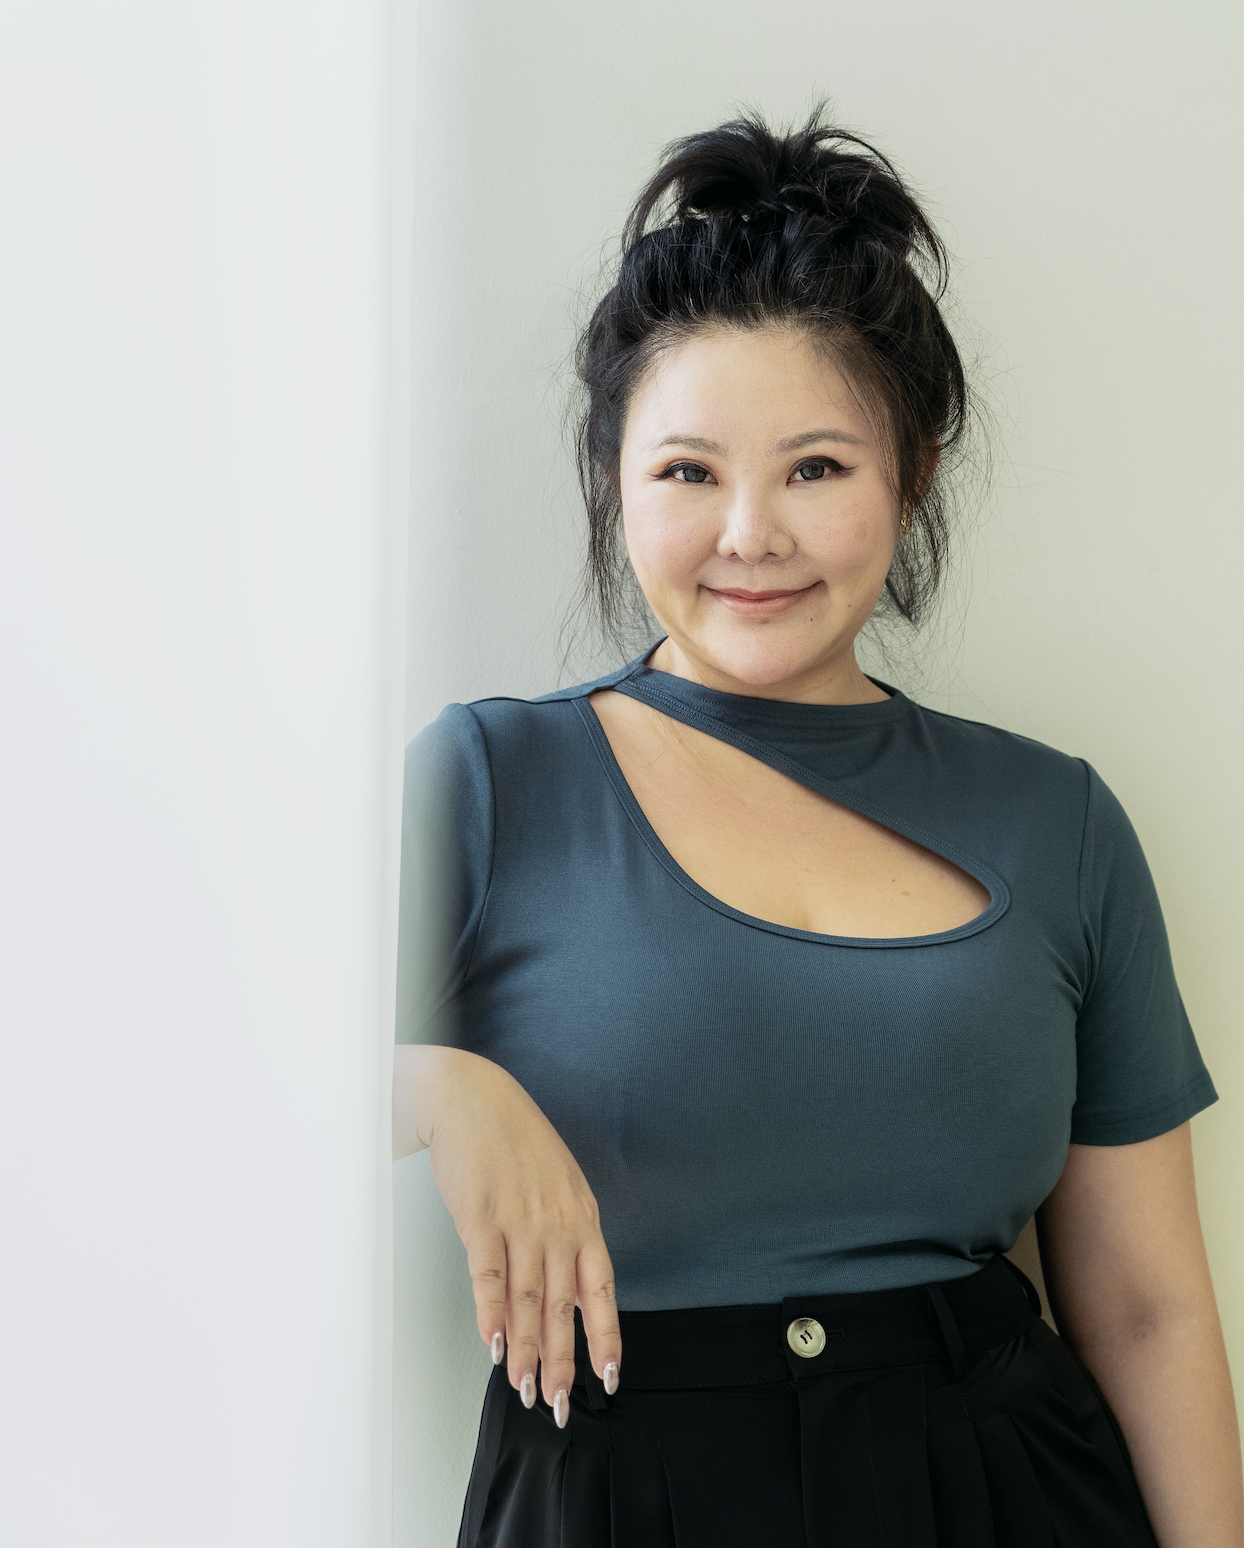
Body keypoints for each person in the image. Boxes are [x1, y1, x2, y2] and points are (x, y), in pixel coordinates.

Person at [392, 110, 1243, 1548]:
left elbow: (1150, 1310)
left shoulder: (1058, 820)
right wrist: (440, 1087)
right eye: (688, 471)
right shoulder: (492, 780)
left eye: (817, 468)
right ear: (614, 478)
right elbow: (174, 1103)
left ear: (913, 474)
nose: (751, 534)